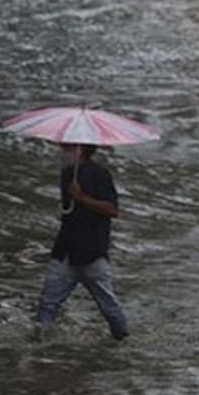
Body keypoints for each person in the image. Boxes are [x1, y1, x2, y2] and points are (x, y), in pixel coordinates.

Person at [37, 143, 128, 340]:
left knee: (108, 307)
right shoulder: (68, 174)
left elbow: (112, 210)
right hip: (65, 250)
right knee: (48, 302)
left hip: (92, 252)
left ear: (80, 150)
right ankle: (40, 343)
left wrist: (81, 197)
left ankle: (122, 339)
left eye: (67, 149)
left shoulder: (100, 174)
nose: (62, 153)